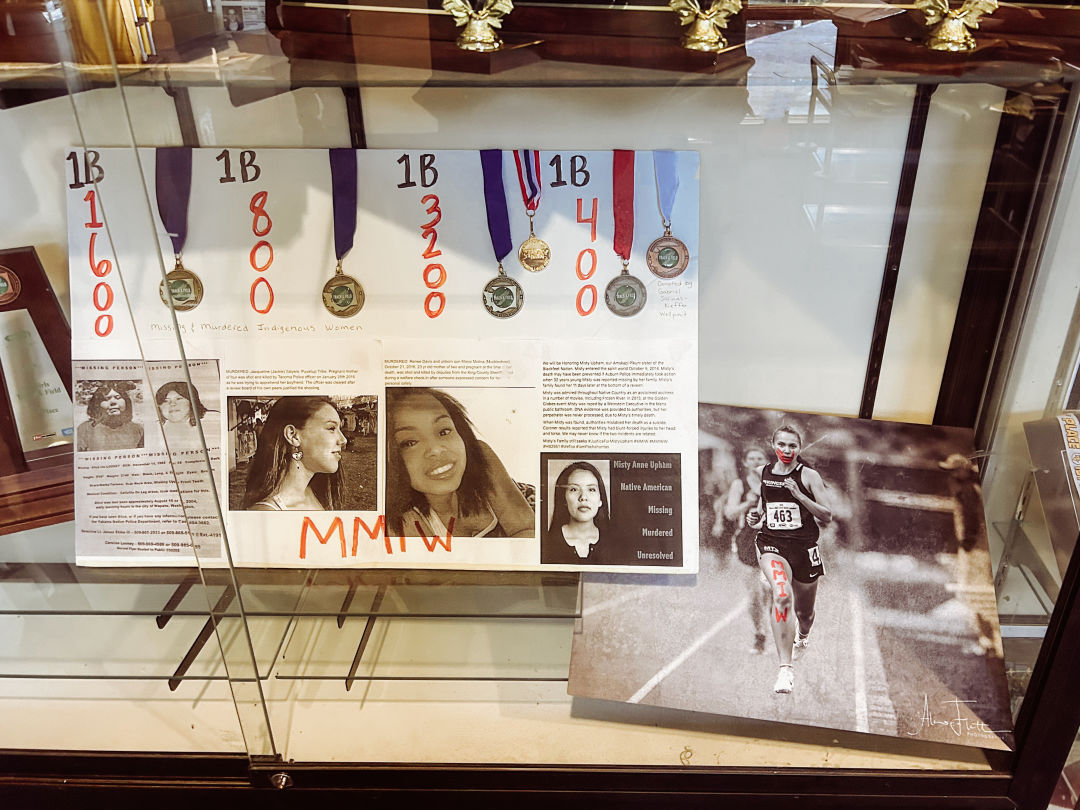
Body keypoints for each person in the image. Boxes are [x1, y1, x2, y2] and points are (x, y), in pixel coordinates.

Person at [746, 425, 832, 694]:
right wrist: (755, 517)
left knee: (804, 614)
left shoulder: (809, 476)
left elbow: (826, 514)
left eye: (792, 446)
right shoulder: (763, 472)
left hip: (804, 550)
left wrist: (798, 495)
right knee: (781, 594)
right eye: (781, 445)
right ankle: (785, 670)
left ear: (799, 448)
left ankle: (802, 637)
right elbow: (764, 506)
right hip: (772, 544)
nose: (786, 450)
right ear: (773, 445)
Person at [386, 387, 534, 538]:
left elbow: (527, 530)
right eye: (410, 442)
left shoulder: (480, 455)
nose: (436, 449)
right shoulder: (401, 524)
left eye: (444, 431)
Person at [241, 396, 346, 511]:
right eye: (331, 428)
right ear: (293, 435)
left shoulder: (315, 493)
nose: (343, 440)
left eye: (339, 429)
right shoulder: (267, 514)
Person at [723, 446, 772, 654]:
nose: (755, 461)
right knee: (754, 595)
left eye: (759, 458)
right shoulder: (739, 485)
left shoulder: (775, 483)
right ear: (745, 463)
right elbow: (730, 513)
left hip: (773, 541)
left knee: (771, 591)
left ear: (766, 461)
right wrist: (747, 504)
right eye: (751, 458)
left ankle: (776, 629)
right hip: (747, 541)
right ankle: (760, 633)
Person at [543, 461, 610, 564]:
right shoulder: (547, 544)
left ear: (600, 499)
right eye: (574, 489)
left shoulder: (615, 543)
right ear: (564, 499)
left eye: (591, 489)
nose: (583, 497)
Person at [76, 383, 144, 451]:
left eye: (118, 397)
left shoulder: (138, 429)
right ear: (97, 404)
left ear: (126, 401)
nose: (113, 402)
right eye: (106, 399)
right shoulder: (85, 429)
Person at [154, 381, 213, 449]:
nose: (172, 404)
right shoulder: (155, 428)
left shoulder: (212, 420)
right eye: (166, 401)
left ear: (191, 401)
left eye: (178, 399)